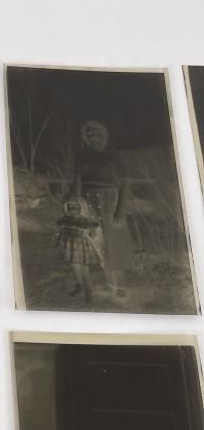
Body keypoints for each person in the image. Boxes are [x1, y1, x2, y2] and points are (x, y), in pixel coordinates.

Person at [71, 120, 135, 298]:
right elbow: (77, 180)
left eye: (96, 133)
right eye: (89, 134)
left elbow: (124, 183)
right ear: (85, 137)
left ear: (103, 135)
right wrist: (75, 200)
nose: (93, 137)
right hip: (87, 202)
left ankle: (120, 284)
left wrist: (120, 209)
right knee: (97, 242)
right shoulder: (80, 156)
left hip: (110, 201)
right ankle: (109, 281)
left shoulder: (113, 155)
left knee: (115, 241)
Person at [55, 196, 105, 304]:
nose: (72, 210)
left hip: (81, 247)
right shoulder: (66, 219)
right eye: (70, 208)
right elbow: (61, 229)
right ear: (67, 208)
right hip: (70, 247)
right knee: (75, 268)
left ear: (81, 209)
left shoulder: (85, 221)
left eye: (76, 208)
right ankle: (79, 286)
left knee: (84, 271)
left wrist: (91, 231)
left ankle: (88, 291)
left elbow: (93, 233)